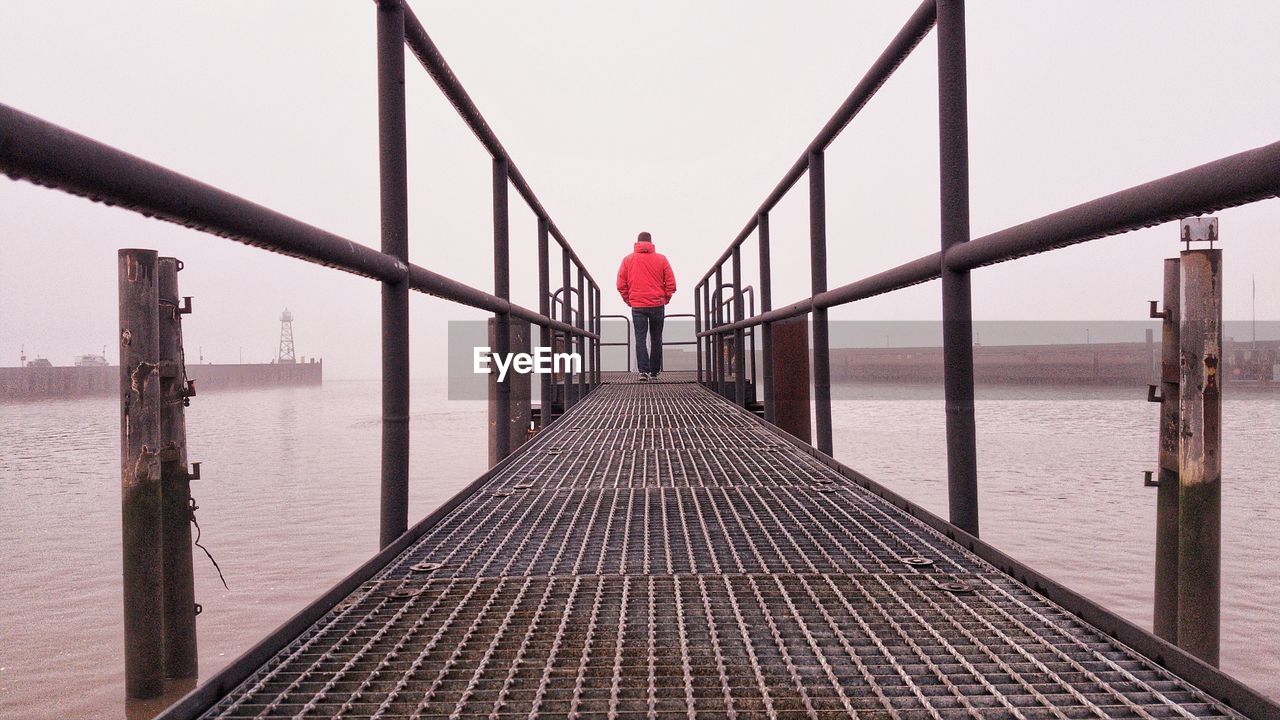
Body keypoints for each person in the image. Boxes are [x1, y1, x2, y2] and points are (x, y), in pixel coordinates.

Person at [616, 231, 676, 381]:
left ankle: (644, 371)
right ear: (651, 242)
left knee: (640, 338)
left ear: (637, 242)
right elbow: (671, 283)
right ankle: (655, 372)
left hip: (638, 306)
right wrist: (665, 298)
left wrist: (629, 300)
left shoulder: (627, 260)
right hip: (657, 304)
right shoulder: (661, 259)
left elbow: (620, 284)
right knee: (656, 338)